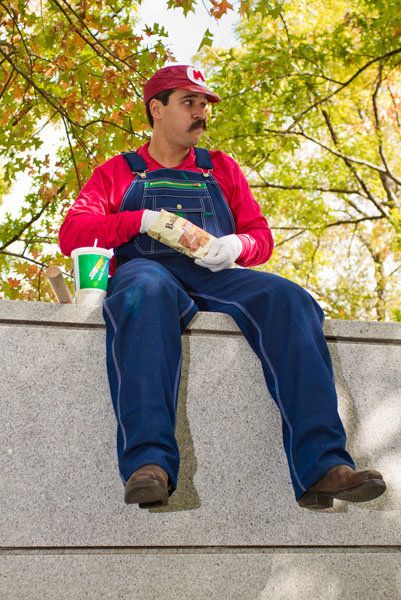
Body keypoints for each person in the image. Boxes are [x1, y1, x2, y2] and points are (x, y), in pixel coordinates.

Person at [59, 65, 386, 510]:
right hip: (146, 271)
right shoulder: (116, 172)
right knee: (143, 292)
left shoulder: (222, 169)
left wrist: (237, 245)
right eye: (189, 103)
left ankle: (323, 466)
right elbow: (73, 233)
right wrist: (141, 221)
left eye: (204, 104)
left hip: (216, 274)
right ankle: (148, 464)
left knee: (290, 299)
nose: (201, 114)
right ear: (156, 109)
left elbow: (260, 237)